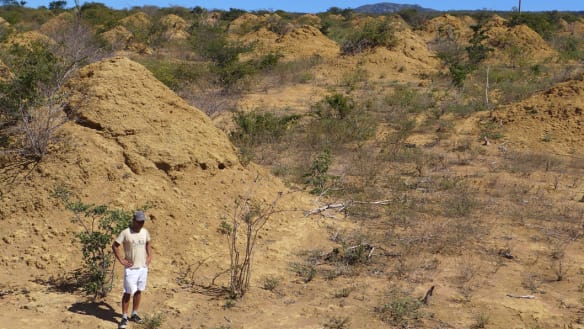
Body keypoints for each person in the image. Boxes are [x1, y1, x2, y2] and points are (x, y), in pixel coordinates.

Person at [112, 211, 152, 329]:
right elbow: (115, 245)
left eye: (142, 221)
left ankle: (134, 313)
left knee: (139, 290)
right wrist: (121, 259)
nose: (141, 224)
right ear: (133, 220)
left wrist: (149, 256)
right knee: (128, 292)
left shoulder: (145, 232)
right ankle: (124, 317)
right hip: (131, 269)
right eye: (139, 221)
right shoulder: (125, 233)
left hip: (143, 267)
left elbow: (148, 244)